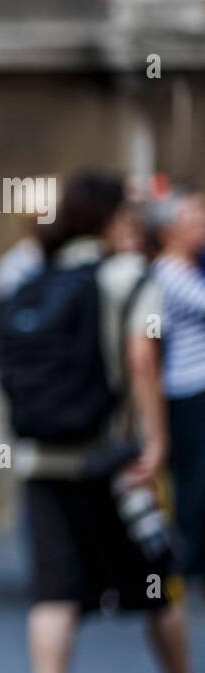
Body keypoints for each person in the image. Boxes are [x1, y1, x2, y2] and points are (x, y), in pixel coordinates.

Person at [0, 172, 205, 673]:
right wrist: (155, 443)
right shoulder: (130, 276)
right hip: (116, 463)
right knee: (159, 585)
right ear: (115, 219)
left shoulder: (35, 275)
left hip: (43, 461)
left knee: (54, 591)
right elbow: (141, 357)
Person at [149, 191, 205, 588]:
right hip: (187, 388)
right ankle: (189, 562)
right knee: (193, 479)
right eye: (194, 220)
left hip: (192, 387)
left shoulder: (191, 269)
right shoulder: (167, 274)